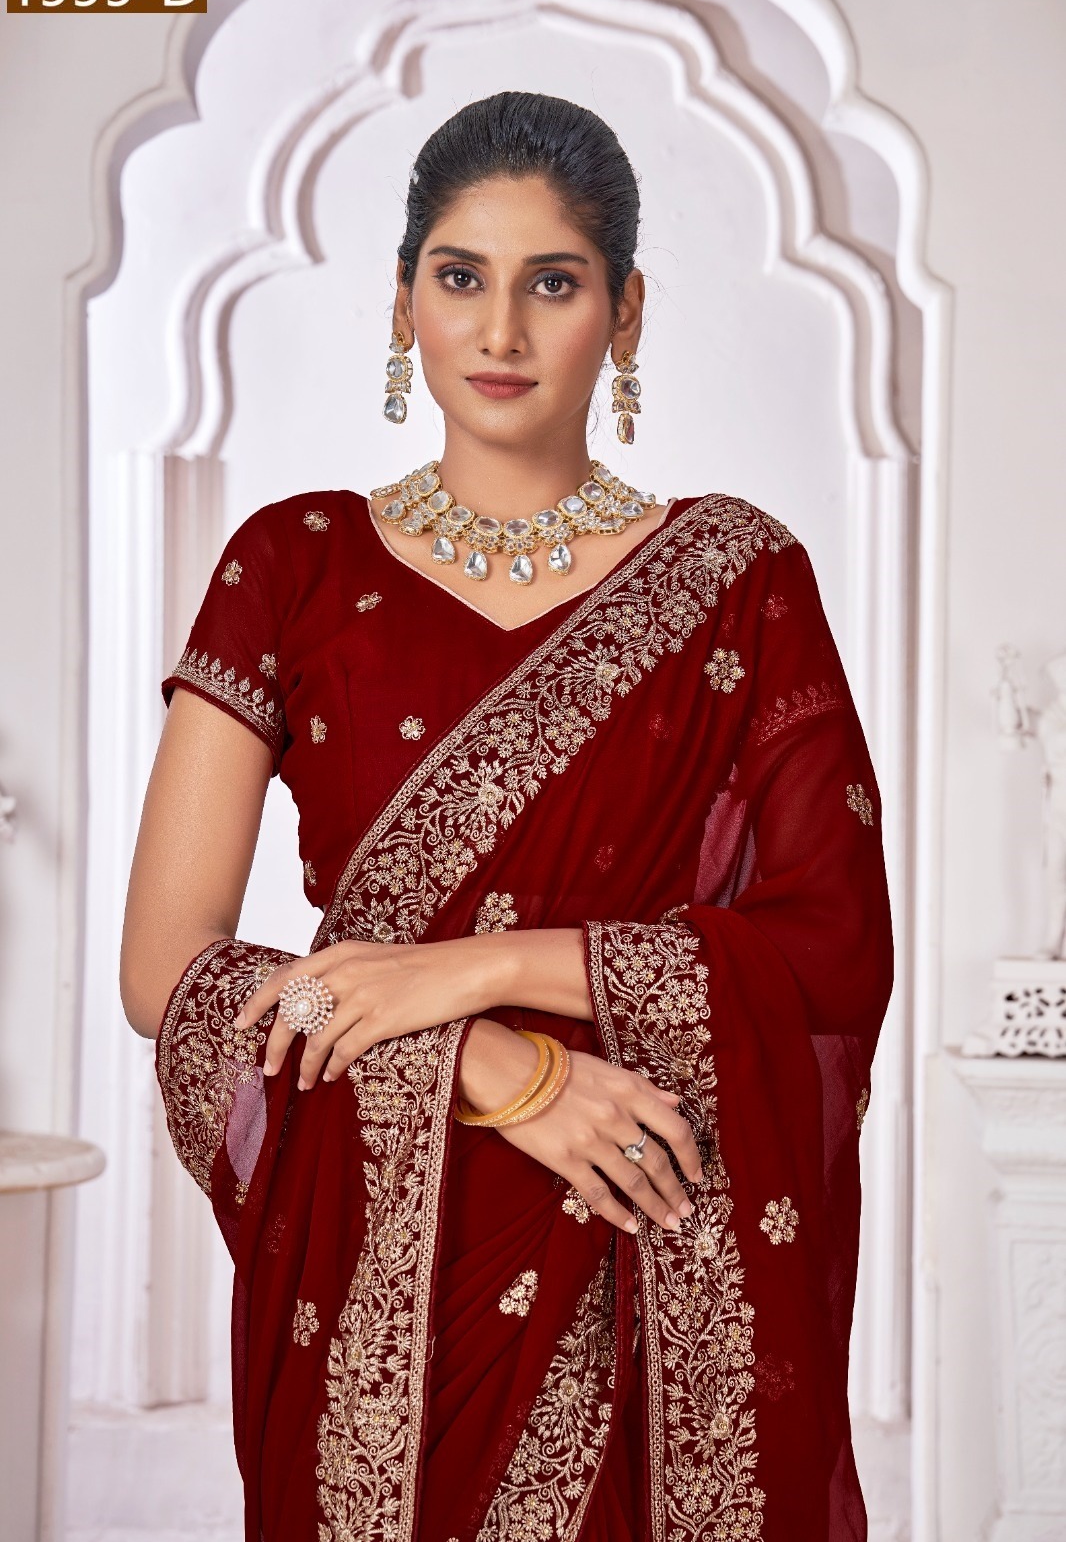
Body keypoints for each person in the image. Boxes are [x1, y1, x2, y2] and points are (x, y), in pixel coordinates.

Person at [121, 90, 894, 1542]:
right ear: (401, 300)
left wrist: (470, 968)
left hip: (642, 1215)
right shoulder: (291, 562)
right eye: (459, 276)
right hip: (367, 1246)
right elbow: (168, 971)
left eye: (553, 282)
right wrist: (493, 1063)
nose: (499, 330)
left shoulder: (738, 581)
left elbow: (831, 949)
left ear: (625, 310)